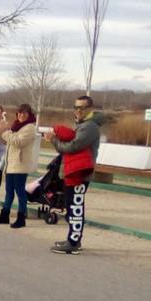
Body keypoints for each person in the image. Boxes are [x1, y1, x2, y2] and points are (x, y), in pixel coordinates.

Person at [46, 95, 106, 255]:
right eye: (76, 107)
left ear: (90, 109)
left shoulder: (89, 127)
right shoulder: (82, 124)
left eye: (82, 108)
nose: (78, 110)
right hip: (74, 172)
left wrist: (54, 141)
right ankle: (73, 239)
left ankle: (73, 243)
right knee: (72, 206)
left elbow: (73, 147)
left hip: (80, 174)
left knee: (76, 207)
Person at [0, 104, 38, 228]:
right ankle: (5, 215)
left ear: (29, 115)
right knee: (9, 191)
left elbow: (19, 142)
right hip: (11, 164)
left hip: (20, 165)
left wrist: (5, 132)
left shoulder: (29, 128)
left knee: (20, 191)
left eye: (25, 113)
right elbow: (7, 140)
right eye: (19, 113)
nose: (21, 115)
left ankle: (21, 217)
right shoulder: (15, 126)